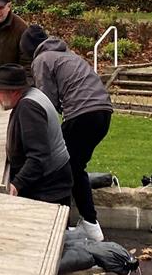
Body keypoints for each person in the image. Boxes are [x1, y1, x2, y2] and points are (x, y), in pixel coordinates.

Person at [20, 25, 113, 241]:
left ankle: (84, 225)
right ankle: (85, 224)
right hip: (103, 113)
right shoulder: (67, 55)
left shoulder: (42, 60)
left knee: (65, 166)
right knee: (73, 164)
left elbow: (45, 101)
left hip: (82, 114)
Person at [0, 64, 73, 206]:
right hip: (52, 181)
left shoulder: (29, 108)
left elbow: (39, 156)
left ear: (14, 92)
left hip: (49, 188)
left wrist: (17, 184)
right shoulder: (32, 96)